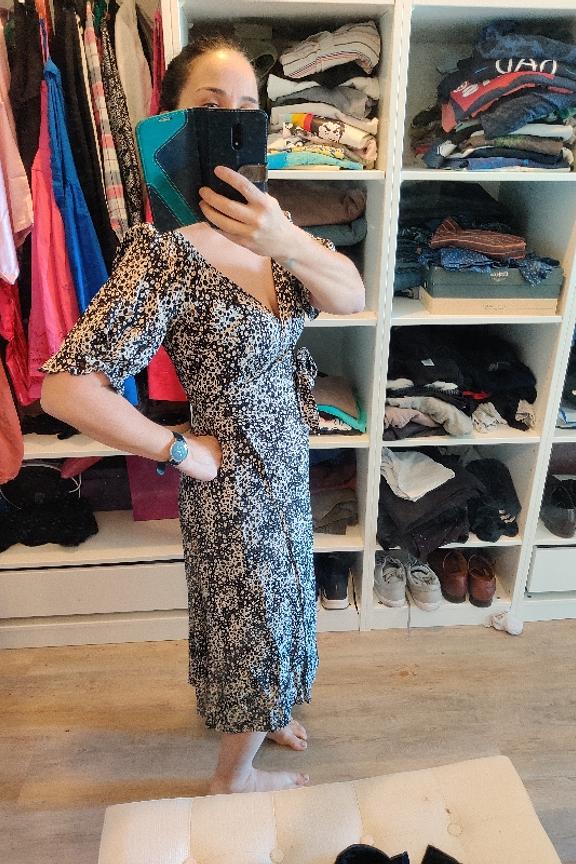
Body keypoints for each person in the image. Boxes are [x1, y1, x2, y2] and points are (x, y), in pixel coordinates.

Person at [40, 35, 365, 795]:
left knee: (284, 602)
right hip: (233, 481)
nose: (230, 123)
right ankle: (232, 780)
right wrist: (182, 452)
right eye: (210, 108)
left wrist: (283, 236)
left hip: (288, 460)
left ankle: (268, 709)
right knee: (249, 624)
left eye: (246, 110)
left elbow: (351, 294)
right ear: (176, 124)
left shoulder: (275, 231)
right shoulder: (164, 254)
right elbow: (66, 389)